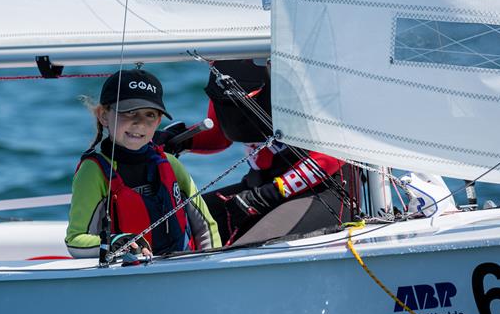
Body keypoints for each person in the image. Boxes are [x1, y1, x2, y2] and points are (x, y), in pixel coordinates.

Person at [156, 59, 353, 246]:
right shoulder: (225, 64)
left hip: (318, 193)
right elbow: (220, 135)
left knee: (241, 254)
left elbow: (336, 151)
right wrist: (180, 140)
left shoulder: (304, 69)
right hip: (256, 188)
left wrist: (268, 194)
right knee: (172, 226)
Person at [65, 69, 222, 259]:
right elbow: (75, 241)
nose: (139, 123)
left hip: (180, 271)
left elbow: (206, 227)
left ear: (159, 121)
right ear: (103, 115)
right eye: (129, 112)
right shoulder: (92, 171)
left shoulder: (170, 164)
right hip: (126, 278)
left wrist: (210, 266)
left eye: (149, 114)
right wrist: (116, 243)